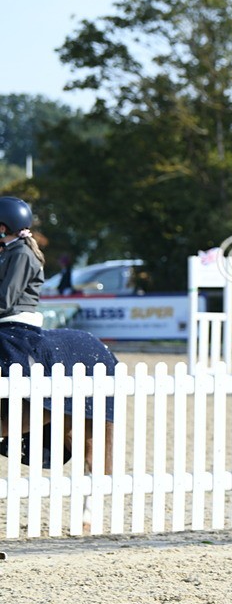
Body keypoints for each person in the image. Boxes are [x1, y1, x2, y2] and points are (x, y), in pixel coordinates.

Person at [0, 196, 118, 475]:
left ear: (4, 226)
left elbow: (5, 299)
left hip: (14, 323)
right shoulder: (7, 251)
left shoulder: (21, 255)